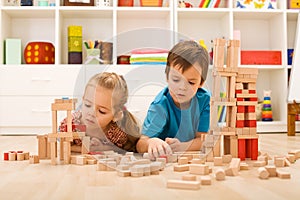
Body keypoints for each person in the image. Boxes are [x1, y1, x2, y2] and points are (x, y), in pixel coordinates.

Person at [136, 40, 210, 158]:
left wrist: (183, 146)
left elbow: (203, 139)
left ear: (201, 83)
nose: (182, 87)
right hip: (164, 159)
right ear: (167, 77)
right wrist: (151, 142)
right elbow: (140, 144)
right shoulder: (160, 105)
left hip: (188, 159)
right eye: (176, 80)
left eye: (191, 82)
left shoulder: (205, 101)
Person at [59, 72, 141, 153]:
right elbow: (62, 146)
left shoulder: (116, 132)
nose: (91, 113)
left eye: (102, 111)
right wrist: (88, 149)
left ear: (116, 116)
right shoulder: (70, 125)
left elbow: (123, 149)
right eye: (87, 105)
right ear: (83, 99)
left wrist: (103, 148)